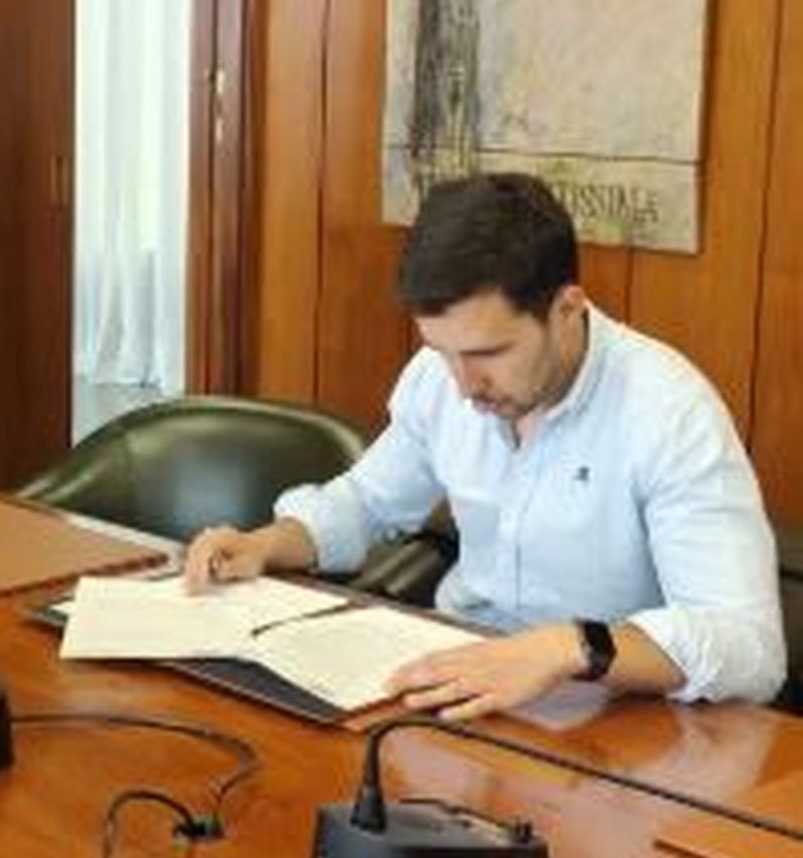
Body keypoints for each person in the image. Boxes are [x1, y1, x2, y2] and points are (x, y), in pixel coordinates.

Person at [184, 173, 785, 718]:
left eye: (487, 355)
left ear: (566, 309)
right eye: (443, 352)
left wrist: (568, 646)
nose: (464, 386)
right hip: (456, 687)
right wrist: (265, 544)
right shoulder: (442, 379)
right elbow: (368, 501)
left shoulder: (669, 413)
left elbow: (749, 646)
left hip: (616, 720)